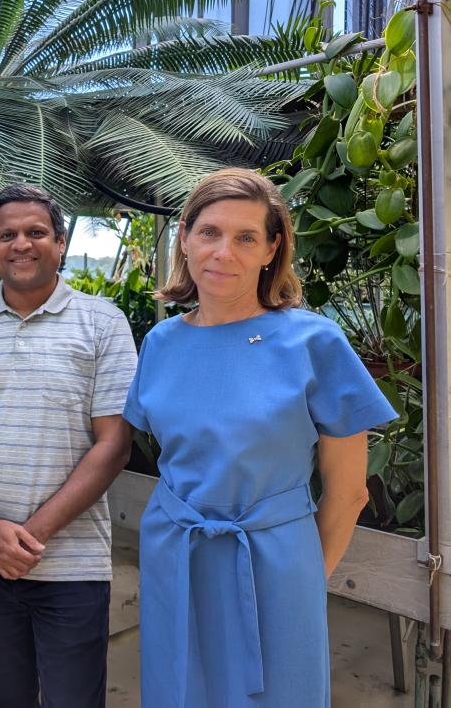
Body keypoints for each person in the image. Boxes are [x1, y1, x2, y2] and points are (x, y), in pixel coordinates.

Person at [123, 167, 397, 707]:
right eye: (209, 232)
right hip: (176, 555)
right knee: (179, 691)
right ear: (184, 237)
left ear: (273, 249)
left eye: (246, 237)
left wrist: (299, 581)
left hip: (274, 562)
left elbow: (349, 492)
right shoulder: (160, 342)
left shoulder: (314, 342)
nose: (223, 252)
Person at [0, 183, 137, 708]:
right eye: (8, 235)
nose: (22, 244)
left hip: (72, 567)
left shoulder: (103, 322)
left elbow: (114, 444)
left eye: (36, 232)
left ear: (60, 243)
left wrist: (27, 538)